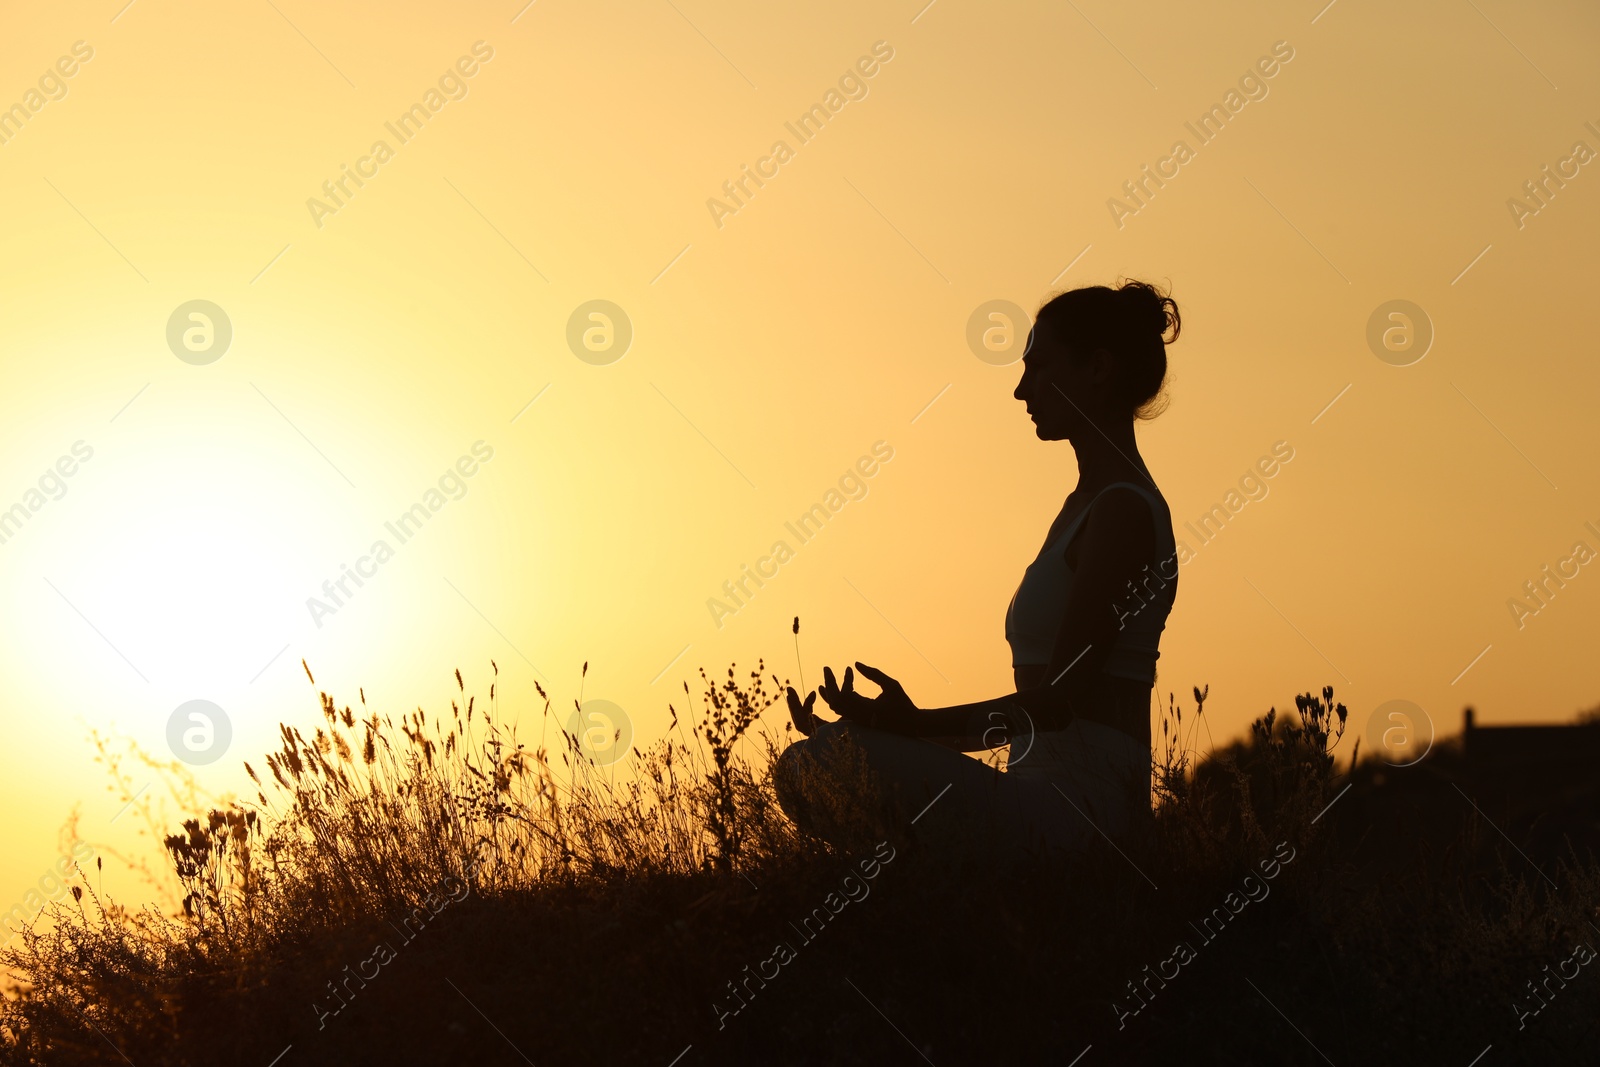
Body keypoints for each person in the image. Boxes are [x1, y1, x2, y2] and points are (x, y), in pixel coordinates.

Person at [775, 279, 1182, 854]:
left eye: (1038, 368)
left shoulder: (1122, 511)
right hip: (1038, 793)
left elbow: (1059, 702)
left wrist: (911, 730)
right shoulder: (1085, 505)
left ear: (1097, 368)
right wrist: (898, 732)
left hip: (1089, 815)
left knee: (819, 764)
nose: (1021, 389)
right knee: (819, 759)